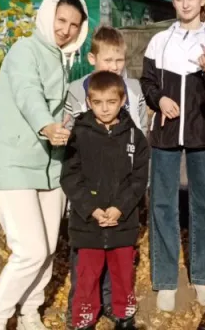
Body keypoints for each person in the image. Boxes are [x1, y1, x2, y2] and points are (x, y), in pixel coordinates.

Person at [0, 0, 89, 330]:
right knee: (30, 250)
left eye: (74, 25)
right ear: (47, 16)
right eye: (61, 20)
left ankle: (30, 313)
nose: (66, 30)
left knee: (47, 249)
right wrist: (46, 125)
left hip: (51, 166)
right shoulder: (24, 50)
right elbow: (28, 92)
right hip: (15, 162)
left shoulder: (63, 59)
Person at [140, 0, 205, 310]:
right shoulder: (159, 41)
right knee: (162, 204)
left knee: (204, 203)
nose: (186, 4)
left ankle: (204, 275)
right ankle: (165, 280)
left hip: (203, 132)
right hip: (165, 133)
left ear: (202, 0)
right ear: (173, 2)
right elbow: (147, 81)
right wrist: (159, 99)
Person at [62, 26, 148, 328]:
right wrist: (91, 208)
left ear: (121, 101)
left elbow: (139, 172)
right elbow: (70, 174)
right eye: (98, 103)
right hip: (88, 217)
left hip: (122, 213)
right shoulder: (79, 127)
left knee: (122, 271)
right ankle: (83, 314)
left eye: (119, 60)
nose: (105, 108)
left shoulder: (133, 129)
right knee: (86, 271)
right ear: (89, 102)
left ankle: (121, 312)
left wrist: (122, 206)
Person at [65, 25, 148, 131]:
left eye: (119, 60)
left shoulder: (135, 89)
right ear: (92, 59)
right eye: (108, 60)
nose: (114, 67)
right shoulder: (76, 91)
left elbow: (142, 128)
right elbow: (69, 130)